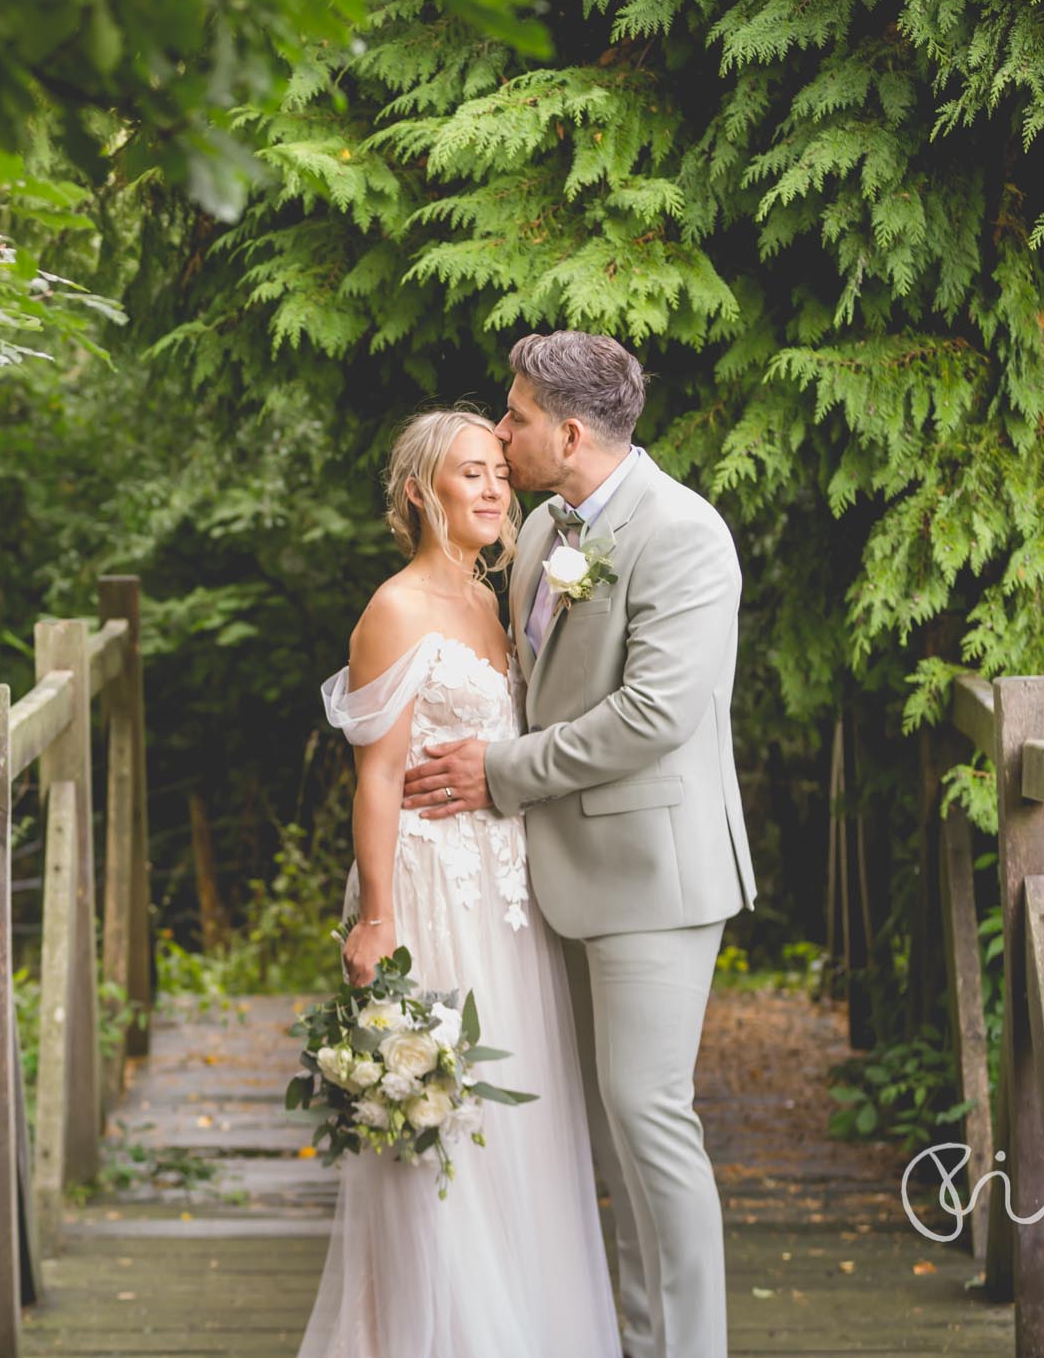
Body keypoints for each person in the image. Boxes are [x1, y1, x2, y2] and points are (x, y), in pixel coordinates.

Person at [401, 330, 760, 1358]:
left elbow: (655, 712)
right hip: (561, 872)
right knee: (610, 1131)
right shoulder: (549, 528)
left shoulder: (682, 532)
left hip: (655, 873)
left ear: (565, 430)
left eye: (512, 417)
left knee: (649, 1118)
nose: (500, 432)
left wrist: (499, 773)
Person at [295, 406, 621, 1358]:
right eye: (469, 472)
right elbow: (379, 776)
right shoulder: (392, 610)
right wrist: (380, 915)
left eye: (497, 471)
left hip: (511, 894)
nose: (492, 488)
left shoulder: (499, 602)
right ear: (418, 491)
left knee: (522, 1120)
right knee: (444, 1127)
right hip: (431, 892)